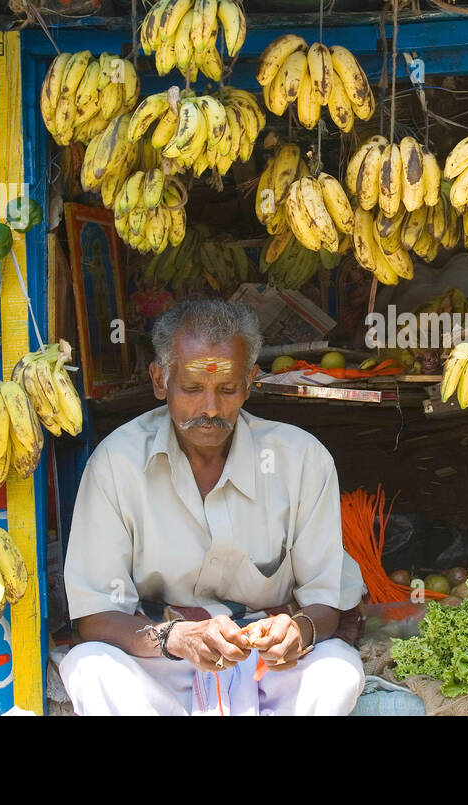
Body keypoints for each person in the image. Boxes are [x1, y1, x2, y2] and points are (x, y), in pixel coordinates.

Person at [58, 299, 367, 715]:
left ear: (250, 382)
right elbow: (94, 617)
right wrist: (175, 638)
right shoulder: (117, 463)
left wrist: (297, 630)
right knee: (88, 667)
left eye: (226, 389)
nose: (209, 408)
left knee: (339, 671)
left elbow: (326, 602)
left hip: (270, 667)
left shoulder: (301, 460)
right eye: (190, 388)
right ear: (159, 380)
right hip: (161, 660)